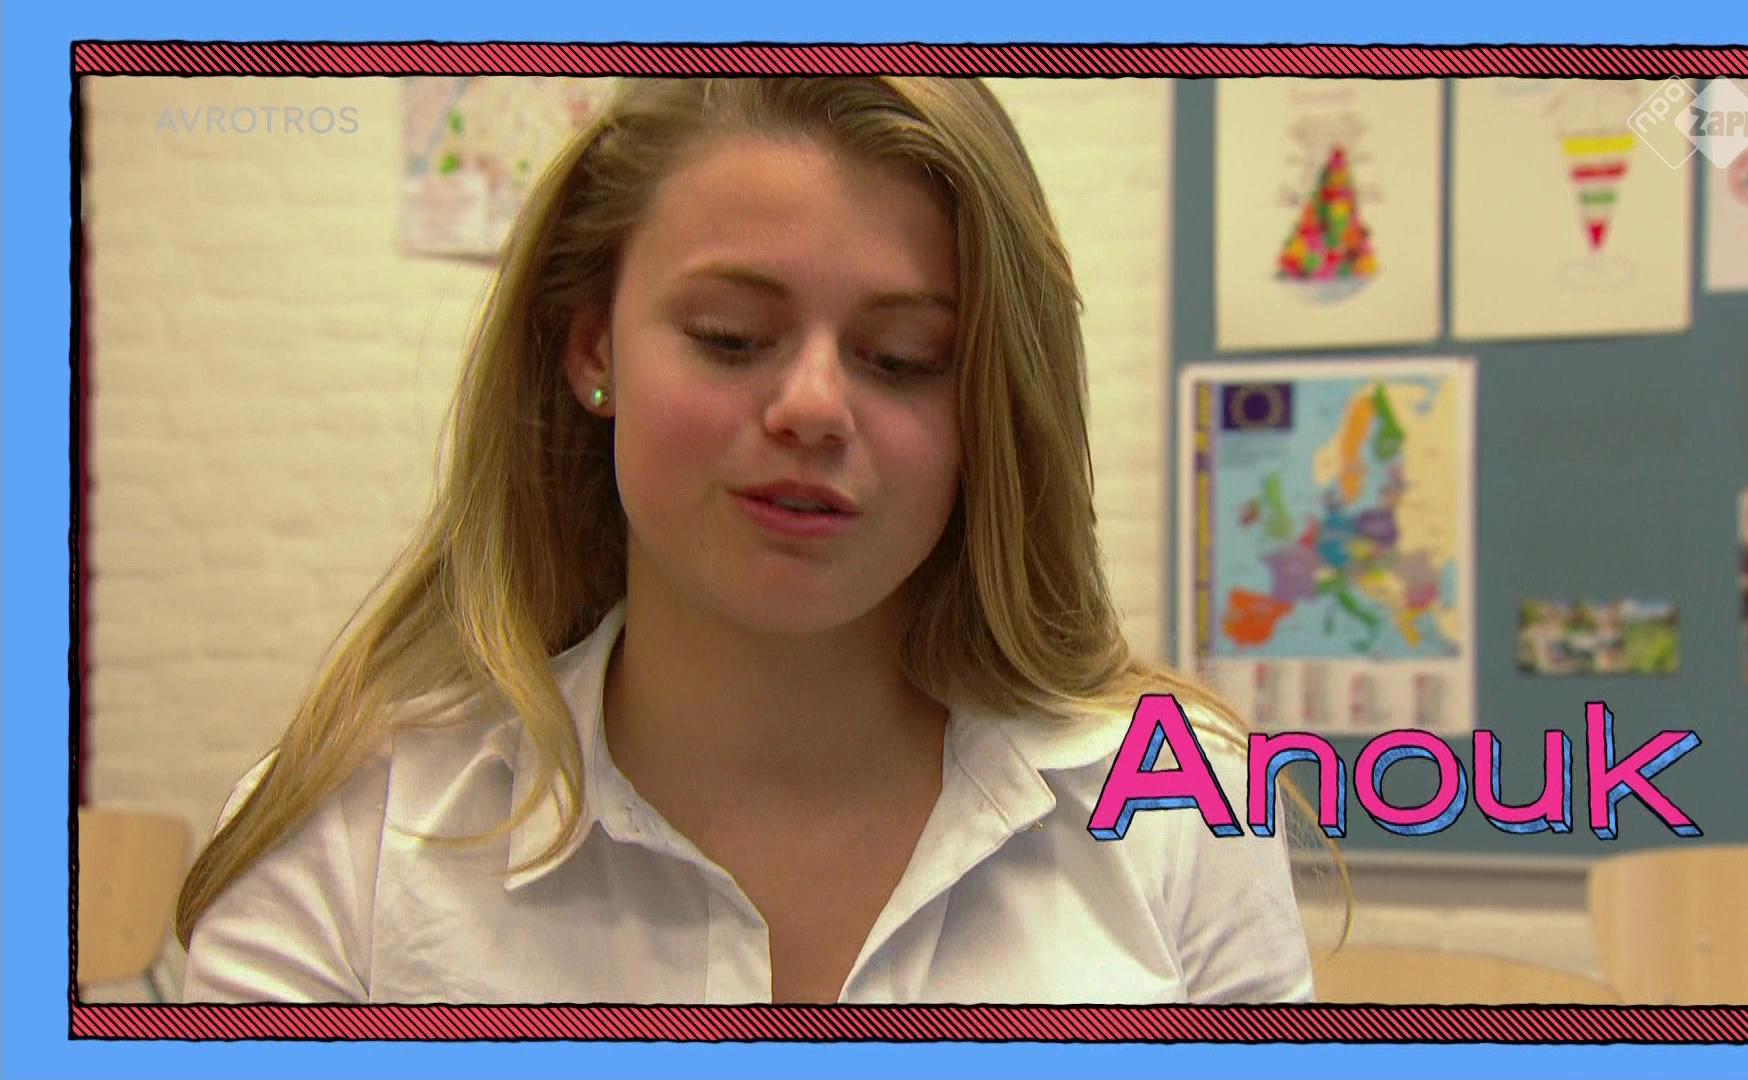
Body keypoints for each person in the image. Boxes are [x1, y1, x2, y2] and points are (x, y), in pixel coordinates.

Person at [176, 76, 1327, 1004]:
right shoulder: (349, 841)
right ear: (593, 351)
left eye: (904, 359)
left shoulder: (1179, 811)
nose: (814, 408)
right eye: (731, 336)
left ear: (986, 410)